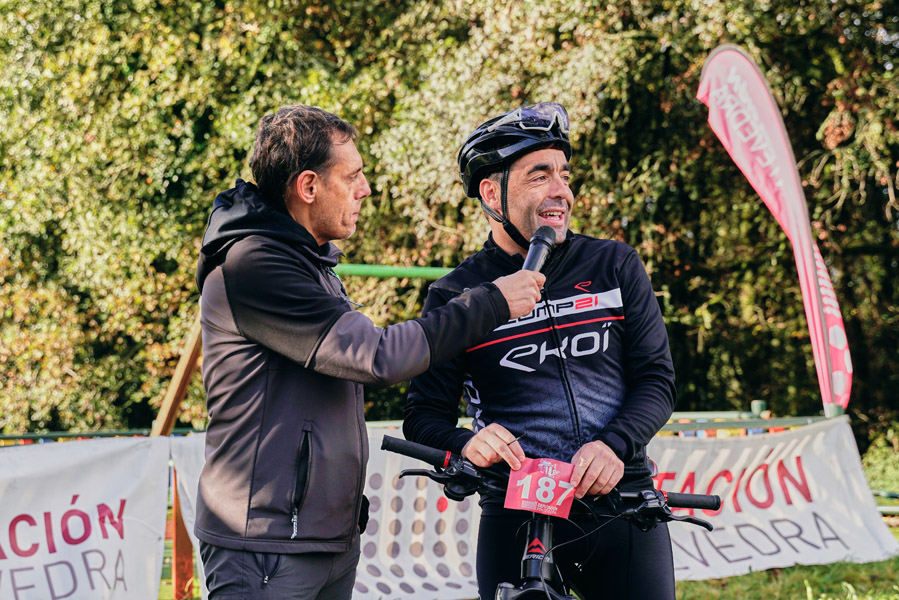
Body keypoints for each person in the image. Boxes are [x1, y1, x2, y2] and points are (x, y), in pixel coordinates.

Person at [193, 104, 545, 600]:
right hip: (266, 546)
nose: (366, 189)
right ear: (308, 186)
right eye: (352, 175)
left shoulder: (307, 261)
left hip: (322, 539)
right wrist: (490, 301)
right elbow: (377, 357)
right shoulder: (255, 264)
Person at [403, 102, 678, 600]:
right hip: (516, 510)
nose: (561, 191)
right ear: (492, 193)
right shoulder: (456, 295)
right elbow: (423, 416)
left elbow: (657, 381)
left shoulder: (614, 264)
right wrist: (466, 443)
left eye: (564, 175)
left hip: (623, 501)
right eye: (539, 175)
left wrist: (614, 444)